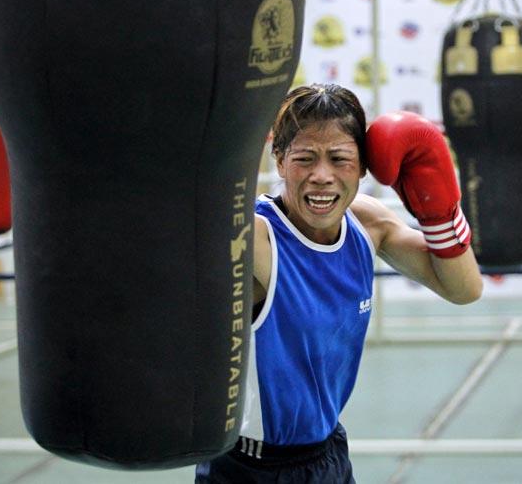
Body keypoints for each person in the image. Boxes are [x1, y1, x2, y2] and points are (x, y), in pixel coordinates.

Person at [195, 83, 483, 483]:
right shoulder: (256, 237)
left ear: (363, 166)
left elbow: (464, 289)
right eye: (304, 158)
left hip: (329, 456)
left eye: (339, 158)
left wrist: (439, 212)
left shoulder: (368, 224)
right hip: (250, 468)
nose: (322, 177)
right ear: (279, 160)